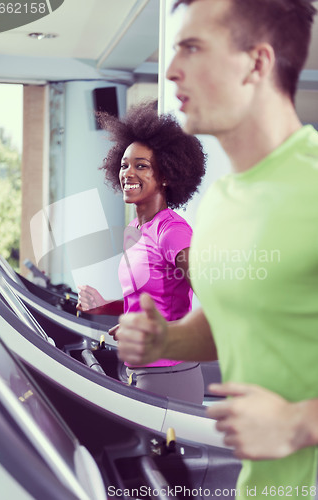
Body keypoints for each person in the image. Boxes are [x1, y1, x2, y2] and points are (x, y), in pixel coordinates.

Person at [115, 0, 318, 497]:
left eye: (193, 48)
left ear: (257, 63)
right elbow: (243, 319)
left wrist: (300, 422)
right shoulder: (227, 199)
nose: (171, 69)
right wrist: (167, 342)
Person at [77, 102, 206, 403]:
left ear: (166, 175)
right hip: (138, 371)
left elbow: (213, 294)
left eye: (141, 165)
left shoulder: (171, 231)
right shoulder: (134, 230)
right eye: (124, 164)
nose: (128, 173)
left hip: (170, 374)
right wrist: (103, 306)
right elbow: (147, 300)